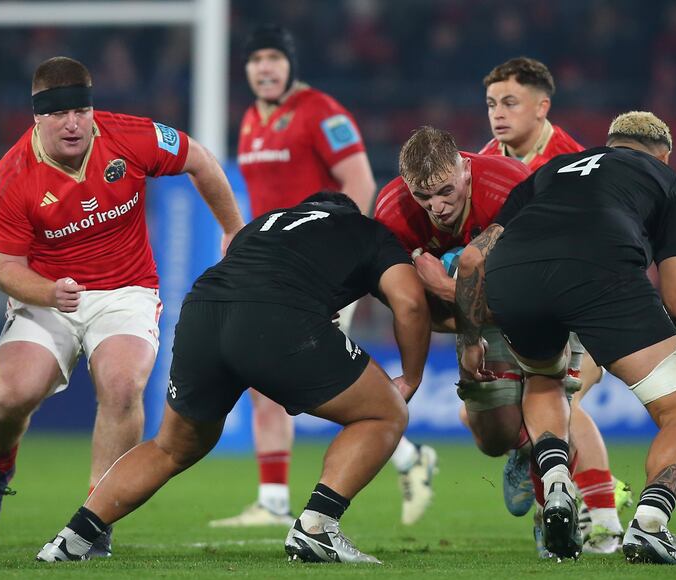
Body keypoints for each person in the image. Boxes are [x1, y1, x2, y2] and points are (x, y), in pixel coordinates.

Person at [36, 191, 431, 564]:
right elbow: (410, 303)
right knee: (385, 412)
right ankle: (318, 526)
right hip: (275, 316)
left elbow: (258, 274)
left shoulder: (264, 223)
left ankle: (73, 539)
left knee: (171, 447)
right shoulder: (365, 229)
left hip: (202, 312)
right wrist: (411, 377)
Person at [0, 57, 245, 556]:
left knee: (123, 385)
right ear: (38, 117)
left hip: (126, 291)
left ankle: (94, 520)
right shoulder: (12, 176)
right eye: (59, 114)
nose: (72, 123)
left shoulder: (131, 136)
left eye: (81, 111)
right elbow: (3, 266)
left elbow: (199, 159)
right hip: (48, 293)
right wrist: (47, 293)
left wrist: (233, 228)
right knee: (8, 396)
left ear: (92, 109)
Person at [456, 111, 676, 565]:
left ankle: (555, 479)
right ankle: (650, 526)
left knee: (545, 379)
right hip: (600, 273)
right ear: (664, 156)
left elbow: (476, 256)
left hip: (512, 276)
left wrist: (470, 337)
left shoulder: (552, 170)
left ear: (608, 146)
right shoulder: (666, 180)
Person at [209, 24, 379, 528]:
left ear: (290, 64)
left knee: (316, 377)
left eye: (274, 58)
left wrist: (341, 254)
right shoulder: (250, 120)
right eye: (256, 59)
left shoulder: (321, 112)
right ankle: (273, 500)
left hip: (320, 267)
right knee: (264, 375)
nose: (265, 67)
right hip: (271, 267)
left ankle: (409, 454)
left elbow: (361, 181)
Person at [480, 56, 630, 555]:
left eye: (510, 102)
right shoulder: (485, 161)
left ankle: (597, 521)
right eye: (492, 103)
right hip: (511, 305)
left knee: (562, 401)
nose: (498, 113)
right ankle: (531, 457)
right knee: (494, 420)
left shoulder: (574, 161)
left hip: (572, 302)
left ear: (542, 107)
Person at [375, 126, 537, 520]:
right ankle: (521, 446)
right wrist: (466, 323)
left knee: (556, 406)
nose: (437, 207)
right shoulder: (392, 214)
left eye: (446, 191)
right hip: (469, 318)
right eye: (423, 196)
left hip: (532, 303)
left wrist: (448, 288)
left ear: (466, 169)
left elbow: (540, 295)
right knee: (494, 439)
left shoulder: (509, 186)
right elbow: (409, 307)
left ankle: (559, 517)